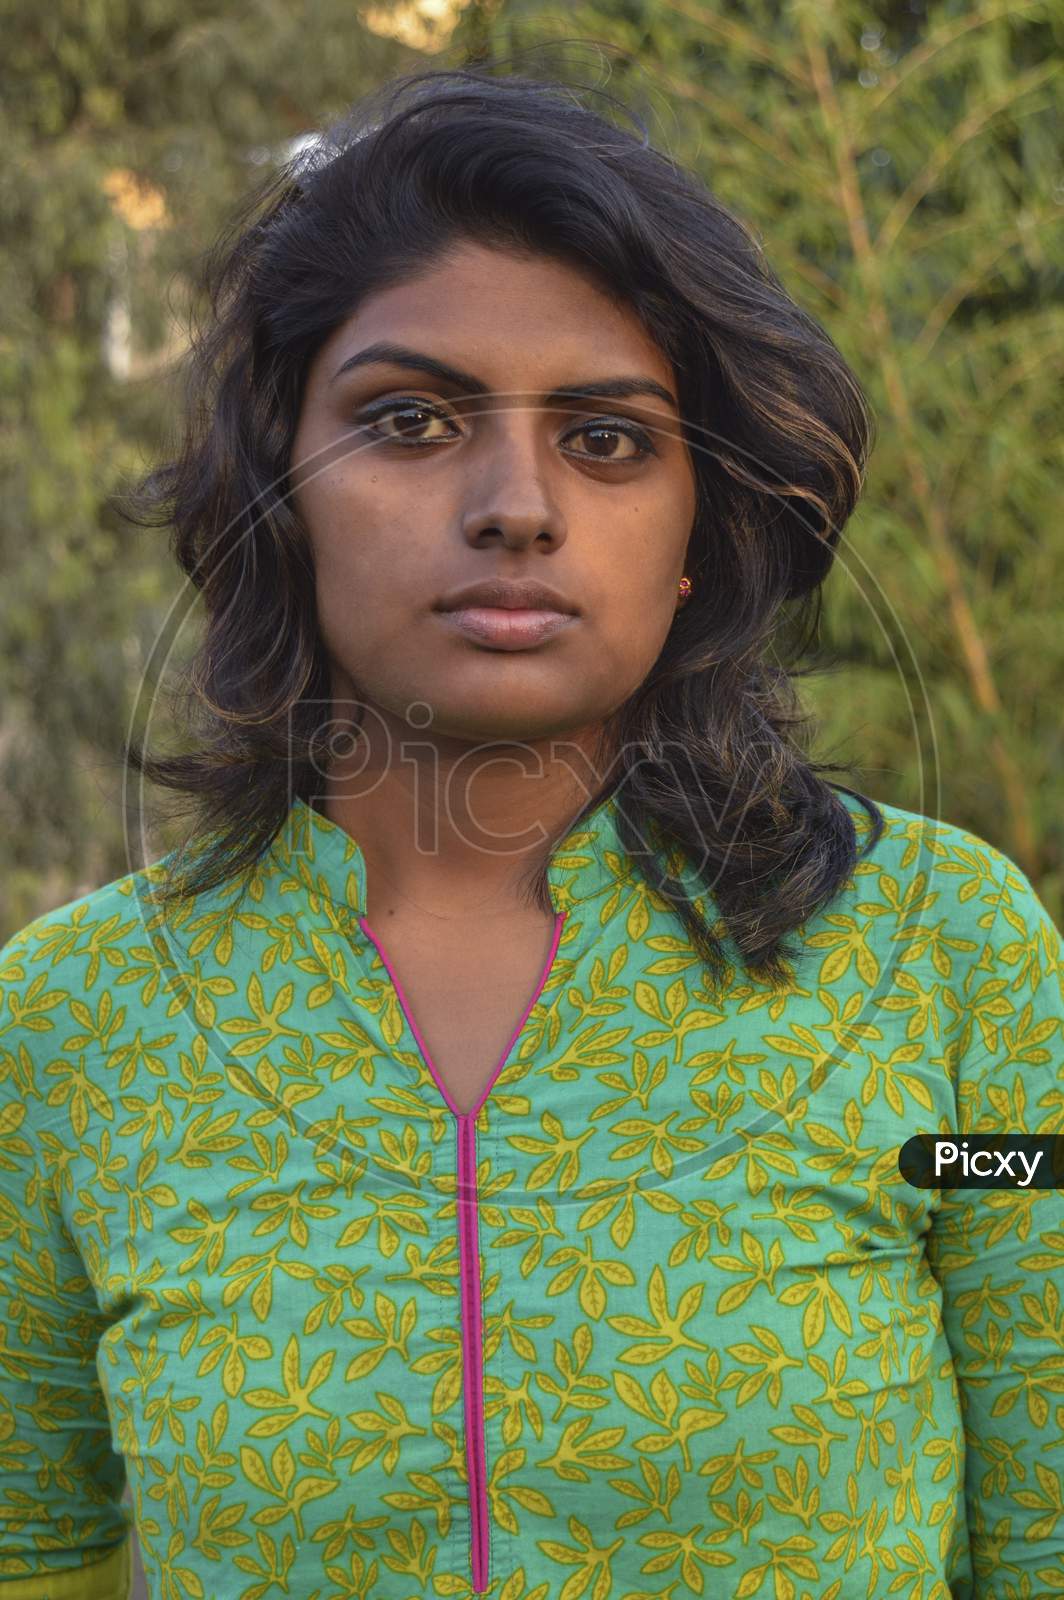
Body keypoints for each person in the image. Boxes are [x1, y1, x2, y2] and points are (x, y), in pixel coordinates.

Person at [1, 60, 1061, 1600]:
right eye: (412, 419)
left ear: (699, 531)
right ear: (280, 494)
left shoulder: (948, 957)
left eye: (610, 439)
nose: (516, 503)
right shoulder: (71, 1027)